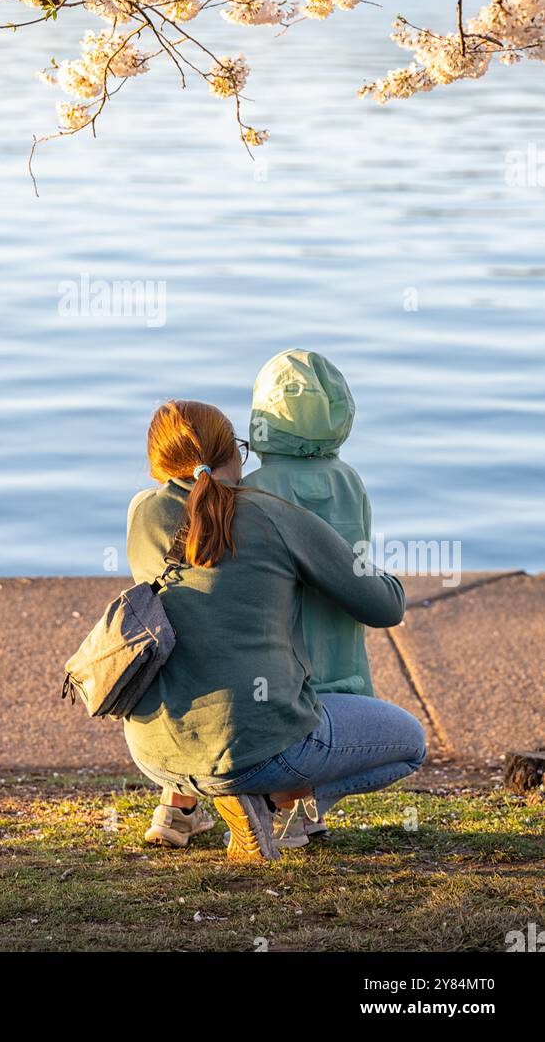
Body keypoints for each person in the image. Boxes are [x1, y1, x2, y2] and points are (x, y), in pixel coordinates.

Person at [126, 400, 425, 865]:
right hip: (255, 749)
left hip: (155, 751)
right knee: (410, 743)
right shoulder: (272, 514)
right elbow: (385, 606)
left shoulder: (141, 514)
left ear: (158, 467)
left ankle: (194, 805)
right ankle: (270, 801)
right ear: (236, 455)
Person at [240, 348, 374, 843]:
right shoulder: (349, 483)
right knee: (337, 693)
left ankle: (272, 802)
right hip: (339, 626)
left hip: (279, 629)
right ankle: (313, 815)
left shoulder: (256, 487)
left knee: (290, 700)